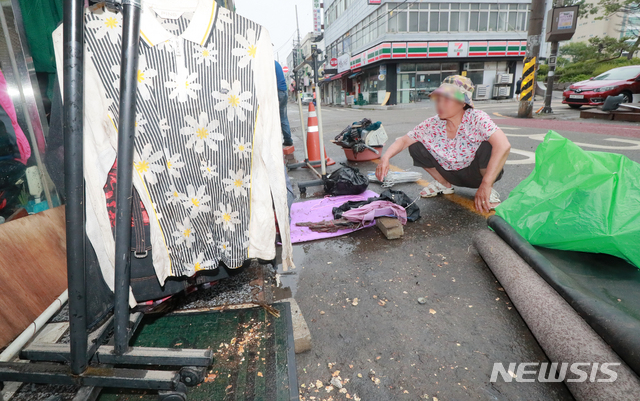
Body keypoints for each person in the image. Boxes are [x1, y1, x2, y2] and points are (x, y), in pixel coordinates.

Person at [375, 75, 511, 213]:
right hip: (449, 173)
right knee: (415, 145)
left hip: (476, 175)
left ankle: (488, 190)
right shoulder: (433, 123)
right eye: (438, 99)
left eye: (447, 99)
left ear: (463, 103)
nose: (440, 104)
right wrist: (385, 158)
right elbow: (404, 140)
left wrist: (486, 184)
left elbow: (504, 145)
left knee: (489, 145)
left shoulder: (476, 118)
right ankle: (443, 184)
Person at [275, 61, 293, 146]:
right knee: (283, 117)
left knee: (273, 117)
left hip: (277, 92)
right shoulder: (276, 63)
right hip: (284, 91)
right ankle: (288, 139)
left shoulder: (268, 63)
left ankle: (274, 141)